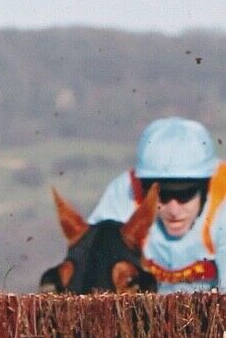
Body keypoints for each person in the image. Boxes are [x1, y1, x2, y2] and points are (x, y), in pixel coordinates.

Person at [89, 117, 226, 292]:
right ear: (145, 190)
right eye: (162, 196)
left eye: (185, 194)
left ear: (206, 187)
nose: (174, 210)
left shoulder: (222, 201)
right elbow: (91, 260)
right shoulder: (125, 194)